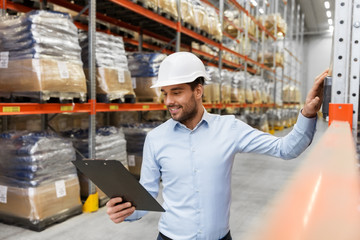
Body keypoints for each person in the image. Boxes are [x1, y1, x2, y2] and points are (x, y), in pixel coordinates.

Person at [106, 52, 328, 240]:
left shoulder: (229, 129)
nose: (168, 101)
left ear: (198, 91)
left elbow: (285, 149)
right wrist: (126, 211)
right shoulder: (156, 138)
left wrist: (308, 113)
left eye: (177, 92)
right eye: (165, 93)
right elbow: (148, 193)